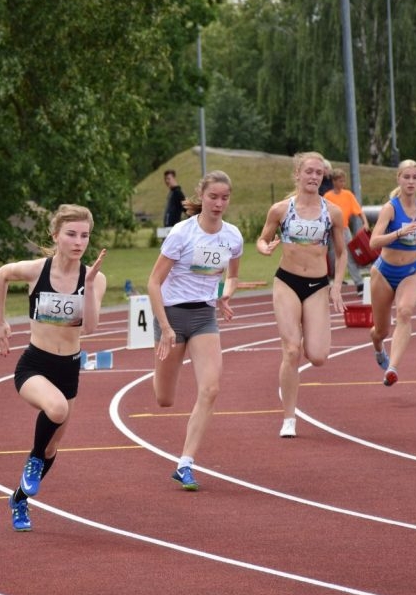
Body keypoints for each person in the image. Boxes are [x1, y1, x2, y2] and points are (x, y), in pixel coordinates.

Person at [0, 205, 107, 531]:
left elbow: (92, 329)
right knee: (55, 410)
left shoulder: (93, 278)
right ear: (55, 235)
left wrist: (90, 283)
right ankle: (33, 458)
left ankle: (19, 500)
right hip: (34, 365)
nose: (78, 241)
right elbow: (2, 273)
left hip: (69, 368)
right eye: (71, 234)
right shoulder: (36, 270)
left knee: (53, 445)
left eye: (84, 235)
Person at [147, 170, 243, 490]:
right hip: (172, 316)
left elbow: (232, 275)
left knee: (211, 389)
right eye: (213, 197)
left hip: (204, 316)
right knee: (164, 398)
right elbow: (154, 282)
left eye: (224, 198)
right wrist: (164, 326)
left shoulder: (232, 236)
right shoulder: (181, 234)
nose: (218, 203)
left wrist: (226, 294)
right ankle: (160, 363)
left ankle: (185, 462)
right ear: (201, 196)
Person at [256, 152, 346, 438]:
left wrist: (337, 285)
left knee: (318, 356)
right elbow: (262, 238)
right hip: (287, 282)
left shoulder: (332, 212)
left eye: (319, 173)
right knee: (292, 349)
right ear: (297, 174)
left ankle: (311, 328)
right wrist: (264, 247)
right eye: (308, 171)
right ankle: (289, 418)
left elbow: (342, 253)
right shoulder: (281, 210)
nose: (313, 177)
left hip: (318, 284)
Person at [367, 159, 416, 386]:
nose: (411, 181)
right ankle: (379, 347)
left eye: (415, 178)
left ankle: (392, 368)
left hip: (410, 271)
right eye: (406, 177)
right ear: (398, 179)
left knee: (405, 312)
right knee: (381, 330)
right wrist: (399, 232)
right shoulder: (390, 209)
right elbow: (373, 242)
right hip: (383, 272)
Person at [323, 168, 370, 294]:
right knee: (333, 256)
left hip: (344, 229)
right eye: (339, 181)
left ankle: (359, 283)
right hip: (332, 230)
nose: (342, 183)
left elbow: (358, 210)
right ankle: (334, 279)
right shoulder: (328, 196)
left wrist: (365, 222)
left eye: (343, 181)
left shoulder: (348, 194)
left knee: (350, 255)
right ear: (333, 181)